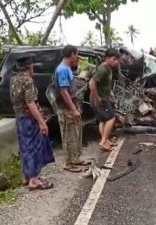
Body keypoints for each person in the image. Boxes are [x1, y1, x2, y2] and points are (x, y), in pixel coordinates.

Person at [10, 55, 54, 190]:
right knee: (33, 147)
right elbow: (30, 102)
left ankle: (27, 176)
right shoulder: (28, 81)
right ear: (30, 66)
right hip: (29, 118)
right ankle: (34, 180)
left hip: (19, 118)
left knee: (24, 147)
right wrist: (41, 121)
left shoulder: (13, 79)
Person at [52, 45, 84, 173]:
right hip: (66, 109)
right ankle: (69, 163)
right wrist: (73, 109)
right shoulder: (62, 70)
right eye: (76, 54)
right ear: (72, 54)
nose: (77, 57)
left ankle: (75, 159)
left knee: (75, 133)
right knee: (68, 134)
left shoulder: (68, 68)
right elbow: (64, 91)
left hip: (72, 107)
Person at [89, 48, 120, 151]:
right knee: (111, 118)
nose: (116, 62)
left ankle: (105, 140)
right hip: (100, 99)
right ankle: (103, 142)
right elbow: (92, 84)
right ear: (107, 58)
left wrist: (110, 93)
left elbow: (105, 84)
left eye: (117, 59)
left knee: (103, 120)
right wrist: (96, 98)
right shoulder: (102, 69)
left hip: (104, 97)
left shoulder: (108, 68)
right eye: (114, 59)